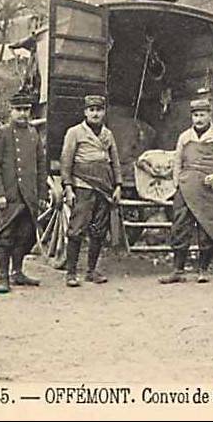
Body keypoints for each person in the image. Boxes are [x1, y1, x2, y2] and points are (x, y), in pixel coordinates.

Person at [160, 97, 213, 284]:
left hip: (209, 189)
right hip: (186, 189)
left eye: (202, 114)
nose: (199, 119)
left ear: (210, 115)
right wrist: (177, 184)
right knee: (180, 227)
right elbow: (177, 162)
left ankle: (203, 270)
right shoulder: (185, 137)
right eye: (195, 115)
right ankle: (178, 270)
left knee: (207, 228)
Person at [0, 90, 47, 294]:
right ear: (10, 111)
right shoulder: (0, 134)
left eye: (26, 110)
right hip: (7, 196)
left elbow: (40, 166)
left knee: (25, 235)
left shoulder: (33, 134)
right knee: (5, 236)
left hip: (27, 196)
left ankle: (17, 272)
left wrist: (42, 194)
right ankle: (3, 277)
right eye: (18, 110)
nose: (22, 114)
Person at [60, 94, 123, 287]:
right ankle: (70, 273)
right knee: (77, 228)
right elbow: (66, 161)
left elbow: (115, 162)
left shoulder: (108, 134)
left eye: (99, 110)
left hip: (104, 187)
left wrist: (118, 185)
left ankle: (91, 271)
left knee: (99, 230)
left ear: (104, 112)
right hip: (83, 185)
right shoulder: (75, 132)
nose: (95, 114)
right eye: (92, 110)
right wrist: (68, 187)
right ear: (85, 112)